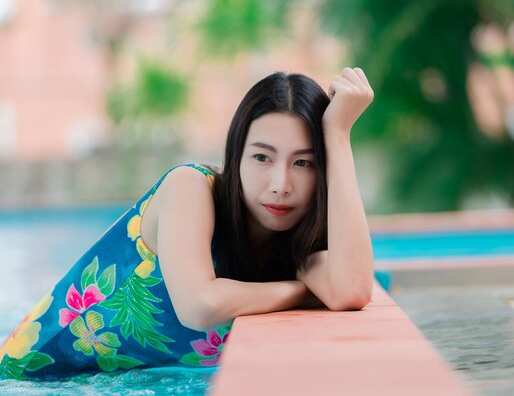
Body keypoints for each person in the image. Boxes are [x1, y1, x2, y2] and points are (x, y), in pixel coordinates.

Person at [0, 67, 375, 379]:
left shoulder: (295, 245)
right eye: (262, 157)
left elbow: (351, 290)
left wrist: (338, 135)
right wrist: (299, 290)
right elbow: (200, 306)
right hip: (34, 375)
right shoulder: (190, 186)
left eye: (303, 163)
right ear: (236, 156)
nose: (281, 185)